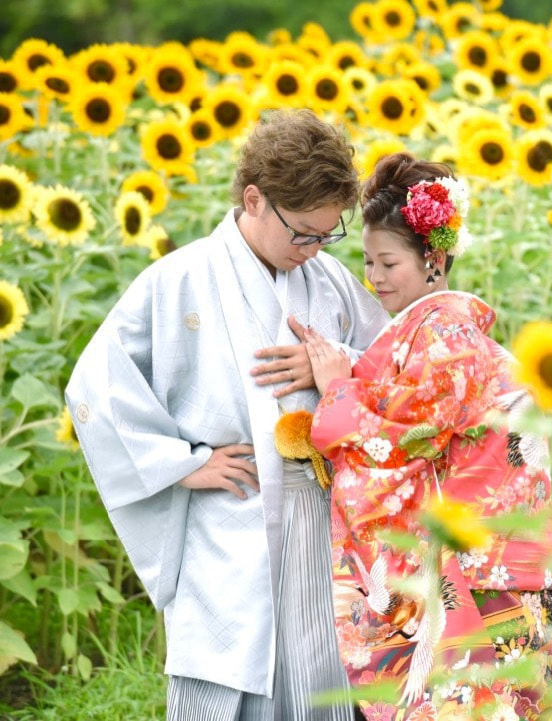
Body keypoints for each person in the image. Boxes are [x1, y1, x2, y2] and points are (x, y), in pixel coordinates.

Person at [64, 109, 389, 720]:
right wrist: (179, 465)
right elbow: (96, 387)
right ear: (254, 198)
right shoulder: (178, 281)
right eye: (302, 233)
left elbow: (389, 362)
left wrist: (333, 361)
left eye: (328, 234)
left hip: (320, 515)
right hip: (229, 510)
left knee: (323, 673)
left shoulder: (330, 281)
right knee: (227, 674)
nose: (314, 249)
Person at [303, 152, 552, 721]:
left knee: (469, 705)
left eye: (388, 262)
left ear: (434, 260)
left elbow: (400, 437)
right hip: (506, 556)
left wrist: (336, 392)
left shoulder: (441, 334)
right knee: (510, 699)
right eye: (368, 261)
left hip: (477, 564)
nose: (374, 278)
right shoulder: (444, 331)